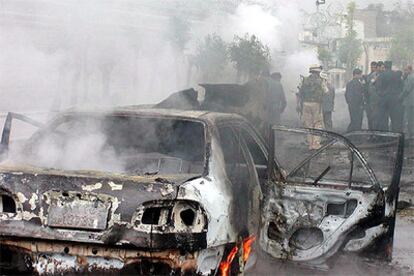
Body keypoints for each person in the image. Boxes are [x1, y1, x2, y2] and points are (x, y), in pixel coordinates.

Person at [297, 65, 327, 149]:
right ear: (318, 72)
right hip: (316, 104)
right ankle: (316, 144)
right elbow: (326, 91)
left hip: (305, 104)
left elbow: (298, 93)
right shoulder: (321, 81)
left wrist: (298, 104)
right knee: (317, 123)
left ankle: (310, 144)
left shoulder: (304, 80)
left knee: (308, 124)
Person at [375, 61, 404, 132]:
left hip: (384, 99)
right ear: (391, 66)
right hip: (394, 99)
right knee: (395, 119)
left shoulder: (381, 75)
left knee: (384, 118)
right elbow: (401, 86)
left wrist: (381, 94)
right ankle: (395, 134)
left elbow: (378, 87)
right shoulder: (396, 75)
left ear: (384, 66)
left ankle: (385, 135)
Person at [364, 61, 379, 130]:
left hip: (374, 98)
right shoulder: (370, 75)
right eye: (371, 67)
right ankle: (371, 130)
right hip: (368, 98)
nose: (372, 68)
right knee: (369, 116)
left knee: (374, 116)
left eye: (374, 67)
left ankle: (374, 131)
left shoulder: (377, 75)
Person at [401, 65, 414, 138]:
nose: (404, 72)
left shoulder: (410, 77)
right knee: (411, 118)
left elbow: (407, 89)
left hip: (409, 101)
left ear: (410, 70)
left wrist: (400, 97)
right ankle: (411, 133)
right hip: (412, 101)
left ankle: (410, 134)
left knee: (408, 118)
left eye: (406, 70)